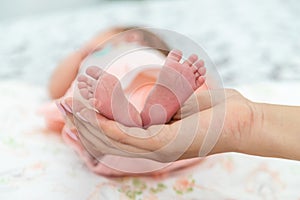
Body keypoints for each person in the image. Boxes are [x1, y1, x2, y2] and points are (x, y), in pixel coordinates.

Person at [42, 26, 207, 176]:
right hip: (173, 152)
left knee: (88, 123)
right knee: (178, 108)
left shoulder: (124, 54)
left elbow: (54, 90)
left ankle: (122, 116)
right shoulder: (159, 65)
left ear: (131, 38)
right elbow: (209, 97)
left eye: (97, 46)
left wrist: (84, 51)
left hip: (114, 157)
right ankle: (150, 117)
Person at [59, 87, 300, 163]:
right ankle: (147, 107)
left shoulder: (99, 63)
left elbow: (55, 93)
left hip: (117, 144)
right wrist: (249, 121)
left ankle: (130, 111)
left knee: (108, 127)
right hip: (181, 122)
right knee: (151, 96)